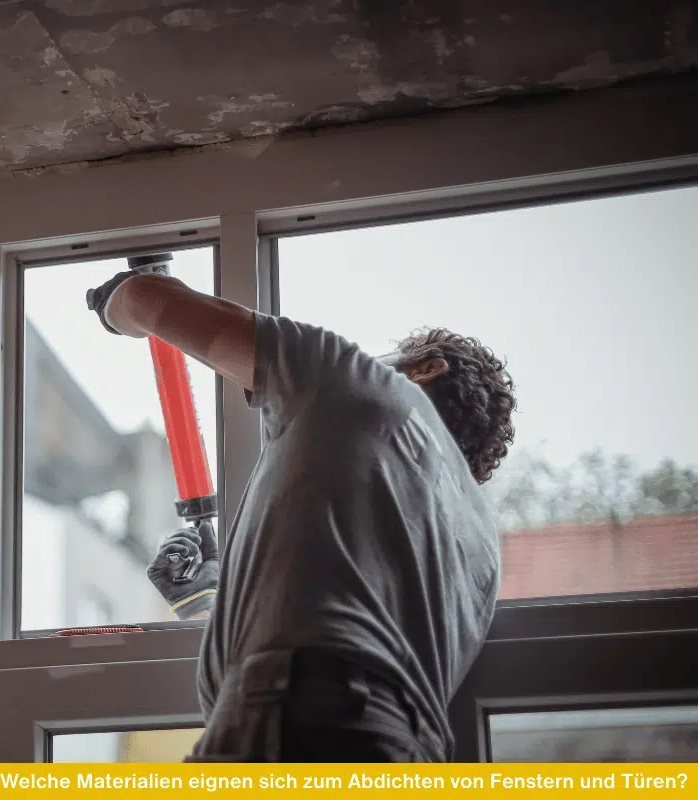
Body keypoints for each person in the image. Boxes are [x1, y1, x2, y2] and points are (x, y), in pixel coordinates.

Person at [87, 256, 516, 762]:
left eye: (398, 353)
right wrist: (211, 601)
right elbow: (356, 643)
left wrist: (114, 300)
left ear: (426, 369)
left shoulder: (364, 387)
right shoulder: (479, 548)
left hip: (301, 719)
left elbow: (149, 303)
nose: (379, 359)